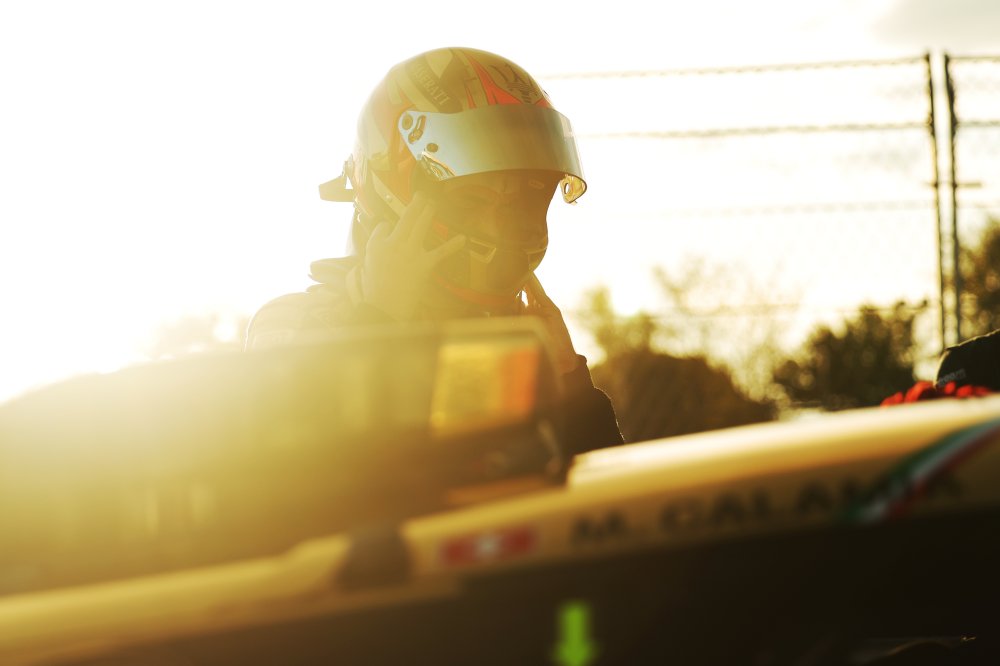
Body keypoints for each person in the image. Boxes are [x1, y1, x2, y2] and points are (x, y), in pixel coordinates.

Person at [245, 47, 623, 455]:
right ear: (392, 195)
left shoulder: (515, 343)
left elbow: (601, 489)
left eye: (523, 204)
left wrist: (568, 382)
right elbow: (305, 478)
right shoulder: (296, 325)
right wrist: (378, 320)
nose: (500, 229)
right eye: (472, 202)